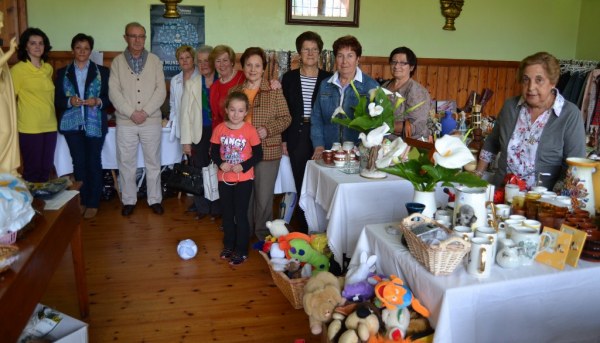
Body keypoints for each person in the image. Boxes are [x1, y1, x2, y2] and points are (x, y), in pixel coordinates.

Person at [475, 51, 586, 190]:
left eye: (539, 80)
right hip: (502, 194)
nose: (531, 87)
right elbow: (492, 143)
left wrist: (555, 197)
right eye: (526, 79)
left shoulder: (569, 114)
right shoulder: (510, 107)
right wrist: (477, 175)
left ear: (553, 82)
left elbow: (575, 164)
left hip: (542, 201)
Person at [231, 47, 291, 240]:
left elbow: (285, 118)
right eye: (249, 65)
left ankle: (263, 235)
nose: (253, 69)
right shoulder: (236, 91)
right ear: (243, 67)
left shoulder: (273, 90)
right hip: (241, 154)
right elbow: (229, 119)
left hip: (267, 152)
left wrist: (267, 129)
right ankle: (244, 232)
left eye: (257, 65)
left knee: (264, 197)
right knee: (244, 196)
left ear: (264, 68)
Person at [109, 22, 166, 216]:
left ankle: (155, 199)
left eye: (141, 36)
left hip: (151, 121)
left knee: (153, 162)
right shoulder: (117, 62)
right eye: (133, 36)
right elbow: (113, 92)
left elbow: (161, 91)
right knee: (126, 163)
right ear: (125, 38)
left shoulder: (155, 60)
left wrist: (145, 112)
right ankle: (129, 200)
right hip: (126, 122)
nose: (138, 40)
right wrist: (131, 112)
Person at [54, 33, 111, 219]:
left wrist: (98, 101)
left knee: (94, 162)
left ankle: (94, 202)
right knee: (78, 164)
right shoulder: (63, 73)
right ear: (73, 50)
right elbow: (57, 101)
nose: (82, 51)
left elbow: (109, 98)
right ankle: (83, 200)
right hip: (72, 126)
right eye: (78, 48)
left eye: (86, 48)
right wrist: (70, 101)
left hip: (95, 124)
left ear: (90, 51)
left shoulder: (102, 72)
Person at [281, 31, 332, 228]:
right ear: (299, 53)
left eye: (314, 49)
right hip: (297, 134)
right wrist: (284, 139)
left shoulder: (329, 78)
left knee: (323, 181)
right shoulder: (289, 78)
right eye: (305, 49)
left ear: (319, 52)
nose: (310, 53)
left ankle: (322, 227)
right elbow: (284, 110)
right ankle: (303, 227)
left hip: (323, 136)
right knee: (301, 182)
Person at [210, 91, 262, 265]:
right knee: (227, 213)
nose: (236, 114)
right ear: (227, 109)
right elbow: (214, 152)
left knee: (240, 214)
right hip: (224, 178)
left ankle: (241, 249)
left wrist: (244, 165)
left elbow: (258, 154)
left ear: (246, 112)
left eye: (240, 110)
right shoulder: (220, 129)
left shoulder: (250, 130)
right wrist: (220, 163)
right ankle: (228, 245)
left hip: (244, 179)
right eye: (232, 110)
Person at [311, 35, 379, 159]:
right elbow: (316, 118)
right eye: (340, 55)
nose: (344, 61)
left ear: (358, 59)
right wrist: (319, 145)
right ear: (335, 58)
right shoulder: (325, 85)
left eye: (350, 56)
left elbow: (378, 123)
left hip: (358, 154)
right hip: (328, 152)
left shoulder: (371, 86)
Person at [180, 45, 221, 219]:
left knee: (219, 170)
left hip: (221, 132)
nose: (203, 64)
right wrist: (186, 142)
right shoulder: (192, 84)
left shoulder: (223, 80)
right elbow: (185, 115)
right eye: (200, 61)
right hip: (200, 132)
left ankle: (218, 209)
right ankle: (202, 208)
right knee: (199, 170)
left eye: (207, 60)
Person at [10, 27, 56, 182]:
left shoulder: (48, 68)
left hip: (50, 126)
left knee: (46, 169)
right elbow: (9, 100)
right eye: (33, 43)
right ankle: (31, 205)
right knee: (32, 170)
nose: (37, 46)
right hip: (29, 128)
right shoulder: (18, 70)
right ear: (25, 46)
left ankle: (42, 204)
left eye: (41, 43)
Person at [381, 46, 432, 140]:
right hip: (383, 140)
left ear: (411, 67)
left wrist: (381, 126)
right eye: (394, 62)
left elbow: (416, 127)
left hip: (408, 145)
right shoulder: (384, 86)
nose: (396, 66)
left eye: (402, 63)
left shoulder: (417, 92)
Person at [0, 11, 20, 175]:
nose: (1, 26)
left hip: (3, 94)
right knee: (5, 131)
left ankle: (6, 167)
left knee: (9, 130)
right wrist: (11, 52)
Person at [209, 45, 245, 129]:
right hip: (225, 133)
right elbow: (216, 118)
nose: (222, 64)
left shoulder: (243, 77)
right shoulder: (214, 87)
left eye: (225, 60)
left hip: (245, 131)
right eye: (218, 61)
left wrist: (275, 83)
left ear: (232, 62)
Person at [168, 45, 197, 143]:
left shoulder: (201, 77)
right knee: (185, 155)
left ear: (193, 59)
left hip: (198, 125)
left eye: (187, 57)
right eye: (181, 58)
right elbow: (172, 103)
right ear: (178, 61)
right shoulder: (174, 80)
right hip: (181, 124)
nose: (184, 61)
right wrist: (172, 120)